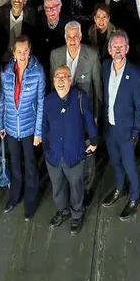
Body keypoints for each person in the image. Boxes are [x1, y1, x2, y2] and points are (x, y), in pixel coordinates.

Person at [42, 64, 99, 232]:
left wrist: (94, 141)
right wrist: (45, 144)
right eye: (58, 77)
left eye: (64, 77)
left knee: (76, 187)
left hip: (74, 153)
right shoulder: (49, 100)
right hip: (53, 155)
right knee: (57, 187)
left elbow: (89, 120)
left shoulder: (80, 97)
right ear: (53, 80)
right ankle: (63, 211)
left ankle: (76, 215)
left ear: (70, 80)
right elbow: (44, 123)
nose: (60, 80)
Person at [0, 35, 46, 218]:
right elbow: (2, 100)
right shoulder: (6, 71)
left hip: (29, 129)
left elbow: (41, 103)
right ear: (14, 52)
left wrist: (38, 131)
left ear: (30, 50)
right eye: (19, 51)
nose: (23, 54)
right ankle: (15, 195)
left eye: (26, 51)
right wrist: (1, 124)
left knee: (31, 166)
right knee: (15, 165)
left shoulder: (38, 71)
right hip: (10, 128)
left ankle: (30, 201)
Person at [100, 29, 140, 218]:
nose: (117, 50)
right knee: (115, 162)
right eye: (114, 47)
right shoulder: (105, 67)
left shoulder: (134, 74)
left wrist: (135, 132)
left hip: (126, 132)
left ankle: (135, 197)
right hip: (109, 129)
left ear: (126, 49)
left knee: (129, 165)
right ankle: (120, 188)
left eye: (121, 46)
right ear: (109, 49)